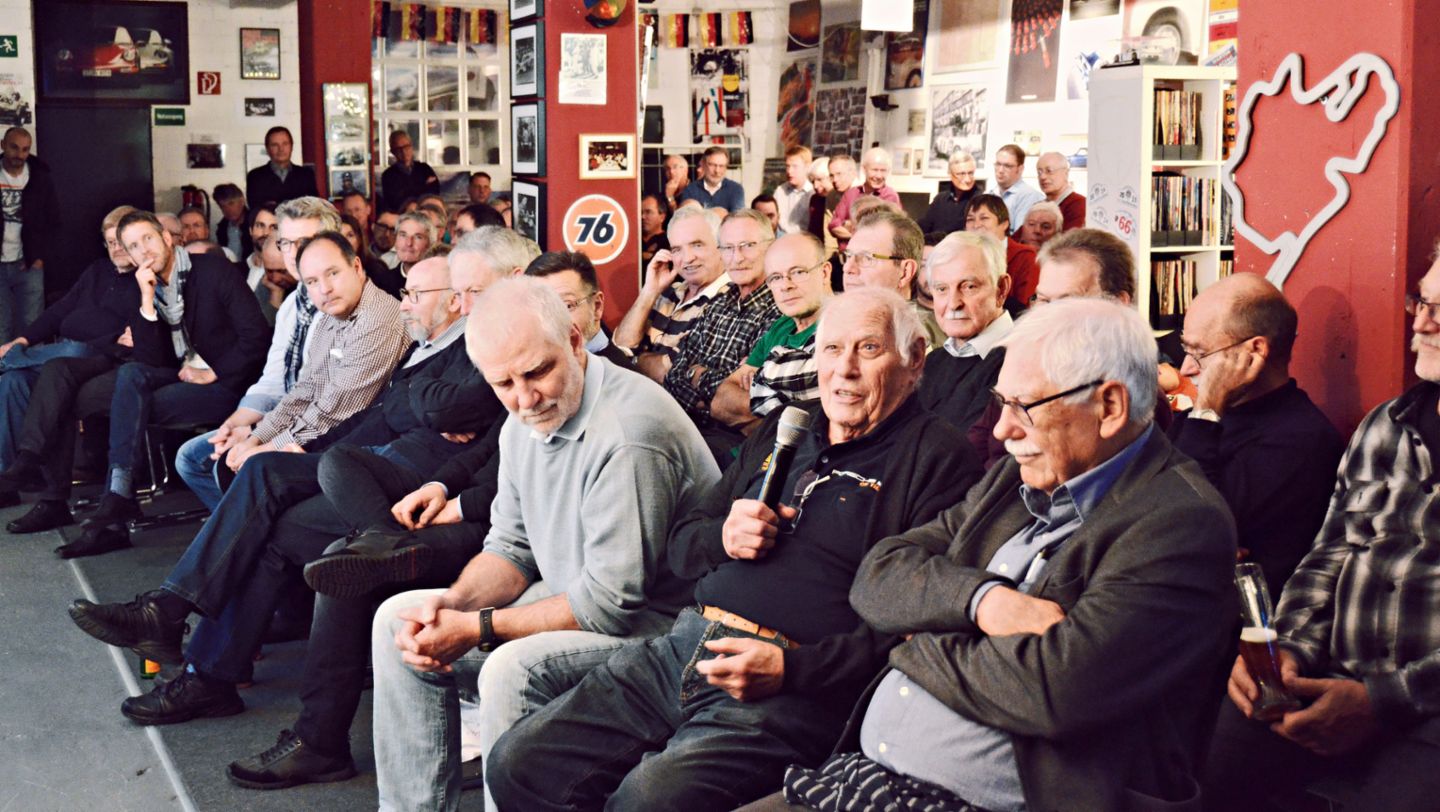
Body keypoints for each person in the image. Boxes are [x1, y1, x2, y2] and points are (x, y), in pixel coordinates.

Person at [486, 287, 983, 811]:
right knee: (519, 763)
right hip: (683, 646)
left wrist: (793, 670)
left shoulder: (937, 457)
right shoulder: (788, 428)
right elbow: (682, 546)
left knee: (647, 801)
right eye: (832, 349)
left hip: (789, 684)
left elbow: (915, 629)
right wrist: (723, 536)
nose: (845, 370)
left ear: (914, 360)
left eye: (869, 349)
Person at [763, 296, 1237, 812]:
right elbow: (879, 572)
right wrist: (981, 603)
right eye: (1000, 403)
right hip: (862, 776)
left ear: (1109, 407)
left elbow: (1053, 691)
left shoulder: (1180, 524)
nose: (1002, 431)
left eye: (1023, 408)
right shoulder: (1019, 474)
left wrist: (912, 639)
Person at [67, 253, 495, 753]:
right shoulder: (421, 345)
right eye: (408, 292)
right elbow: (384, 412)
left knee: (265, 498)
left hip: (407, 488)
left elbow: (439, 409)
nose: (406, 304)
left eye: (419, 294)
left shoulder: (471, 342)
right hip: (364, 463)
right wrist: (313, 446)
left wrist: (406, 405)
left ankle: (184, 635)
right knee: (261, 486)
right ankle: (191, 647)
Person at [368, 276, 721, 810]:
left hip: (666, 630)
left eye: (538, 372)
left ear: (576, 341)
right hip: (579, 599)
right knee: (402, 619)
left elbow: (609, 606)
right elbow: (511, 549)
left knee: (514, 669)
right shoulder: (520, 422)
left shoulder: (629, 435)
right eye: (503, 384)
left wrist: (476, 627)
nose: (524, 398)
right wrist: (453, 606)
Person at [1201, 262, 1440, 812]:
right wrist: (1285, 652)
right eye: (1418, 303)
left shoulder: (1295, 436)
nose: (1420, 324)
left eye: (1438, 311)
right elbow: (1332, 551)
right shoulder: (1388, 424)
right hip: (1328, 674)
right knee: (1209, 771)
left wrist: (1381, 703)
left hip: (1425, 706)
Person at [0, 210, 271, 549]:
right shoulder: (145, 285)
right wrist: (146, 302)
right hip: (173, 375)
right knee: (72, 393)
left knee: (126, 386)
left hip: (224, 384)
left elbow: (256, 336)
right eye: (133, 246)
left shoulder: (213, 271)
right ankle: (94, 502)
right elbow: (150, 360)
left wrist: (215, 371)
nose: (143, 250)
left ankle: (116, 502)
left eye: (147, 239)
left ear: (166, 238)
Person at [1174, 273, 1345, 595]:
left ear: (1253, 352)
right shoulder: (1197, 420)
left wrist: (1208, 407)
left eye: (1199, 352)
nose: (1185, 368)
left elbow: (1186, 530)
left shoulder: (1301, 440)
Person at [0, 206, 138, 490]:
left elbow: (124, 338)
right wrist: (21, 341)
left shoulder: (146, 280)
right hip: (64, 356)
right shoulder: (97, 271)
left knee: (76, 351)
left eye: (122, 241)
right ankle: (9, 478)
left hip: (106, 359)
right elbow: (58, 312)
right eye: (110, 242)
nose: (116, 249)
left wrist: (97, 336)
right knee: (14, 382)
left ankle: (11, 361)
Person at [659, 210, 781, 429]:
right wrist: (713, 399)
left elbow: (752, 400)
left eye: (748, 245)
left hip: (731, 444)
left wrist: (698, 374)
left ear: (770, 247)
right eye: (728, 248)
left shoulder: (780, 307)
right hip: (687, 428)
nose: (738, 257)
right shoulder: (718, 302)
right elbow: (675, 374)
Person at [709, 231, 833, 440]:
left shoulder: (841, 327)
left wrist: (758, 391)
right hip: (753, 454)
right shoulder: (780, 327)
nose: (786, 285)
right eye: (776, 277)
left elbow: (819, 424)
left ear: (825, 272)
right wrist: (787, 413)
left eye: (798, 272)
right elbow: (721, 403)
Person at [918, 231, 1014, 442]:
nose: (953, 303)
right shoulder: (934, 361)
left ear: (1001, 289)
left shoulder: (1018, 362)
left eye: (969, 287)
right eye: (942, 289)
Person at [613, 206, 731, 377]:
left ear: (720, 247)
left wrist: (633, 361)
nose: (688, 258)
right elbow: (620, 347)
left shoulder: (728, 299)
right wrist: (649, 291)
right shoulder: (670, 293)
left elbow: (672, 372)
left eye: (697, 245)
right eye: (677, 250)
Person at [841, 208, 944, 349]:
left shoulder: (922, 341)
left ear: (905, 272)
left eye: (866, 258)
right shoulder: (835, 327)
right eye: (848, 256)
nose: (848, 268)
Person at [0, 126, 59, 344]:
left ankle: (31, 372)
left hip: (29, 262)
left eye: (25, 150)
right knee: (1, 324)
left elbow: (53, 221)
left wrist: (40, 257)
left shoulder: (40, 177)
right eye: (14, 148)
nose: (20, 155)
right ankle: (4, 375)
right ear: (3, 145)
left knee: (32, 324)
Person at [524, 250, 628, 367]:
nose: (552, 322)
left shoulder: (625, 380)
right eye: (541, 310)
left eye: (567, 306)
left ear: (596, 307)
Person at [966, 193, 1038, 311]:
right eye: (970, 219)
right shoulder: (962, 257)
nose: (976, 225)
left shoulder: (1025, 256)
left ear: (1004, 224)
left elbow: (1025, 309)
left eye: (984, 218)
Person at [830, 147, 900, 250]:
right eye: (875, 170)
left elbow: (882, 232)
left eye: (883, 171)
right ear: (864, 169)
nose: (879, 175)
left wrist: (849, 225)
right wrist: (859, 233)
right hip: (846, 259)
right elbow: (833, 226)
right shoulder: (851, 193)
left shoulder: (890, 196)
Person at [246, 126, 319, 208]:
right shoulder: (255, 177)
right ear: (267, 149)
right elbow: (255, 209)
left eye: (285, 144)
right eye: (275, 145)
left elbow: (313, 207)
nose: (281, 149)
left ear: (291, 146)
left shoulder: (306, 175)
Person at [340, 212, 403, 299]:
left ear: (359, 239)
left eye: (350, 235)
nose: (344, 241)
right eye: (339, 236)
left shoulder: (375, 270)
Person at [918, 152, 983, 235]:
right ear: (950, 174)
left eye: (970, 173)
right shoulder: (940, 199)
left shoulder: (980, 200)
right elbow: (922, 227)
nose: (968, 179)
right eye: (961, 174)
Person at [380, 131, 440, 215]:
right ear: (393, 152)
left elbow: (435, 191)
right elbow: (394, 201)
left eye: (406, 147)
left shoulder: (424, 169)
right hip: (403, 216)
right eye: (398, 149)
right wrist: (423, 187)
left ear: (411, 146)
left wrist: (411, 196)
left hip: (428, 213)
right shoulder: (388, 176)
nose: (404, 152)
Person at [678, 146, 745, 214]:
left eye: (721, 166)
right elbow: (686, 218)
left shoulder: (735, 189)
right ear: (703, 165)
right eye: (712, 165)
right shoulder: (690, 189)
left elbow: (737, 219)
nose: (717, 171)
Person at [992, 143, 1043, 231]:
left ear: (1020, 169)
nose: (1000, 170)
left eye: (1007, 166)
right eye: (998, 164)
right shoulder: (989, 194)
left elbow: (1020, 236)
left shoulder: (1029, 196)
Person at [1036, 151, 1086, 230]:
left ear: (1066, 173)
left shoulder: (1078, 204)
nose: (1042, 177)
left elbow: (1069, 240)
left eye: (1049, 171)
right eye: (1039, 172)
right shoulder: (1038, 207)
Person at [773, 145, 813, 236]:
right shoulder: (780, 191)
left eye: (795, 166)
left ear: (807, 167)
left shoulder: (812, 193)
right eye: (787, 166)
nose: (789, 171)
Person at [213, 183, 251, 260]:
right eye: (223, 206)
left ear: (242, 201)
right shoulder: (222, 228)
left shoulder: (254, 224)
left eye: (231, 203)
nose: (228, 210)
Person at [394, 211, 435, 277]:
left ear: (430, 244)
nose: (409, 243)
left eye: (418, 237)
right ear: (395, 241)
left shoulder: (440, 282)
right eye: (403, 235)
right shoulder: (382, 281)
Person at [641, 193, 670, 267]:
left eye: (648, 212)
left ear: (662, 217)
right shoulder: (632, 241)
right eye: (640, 212)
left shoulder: (669, 241)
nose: (643, 217)